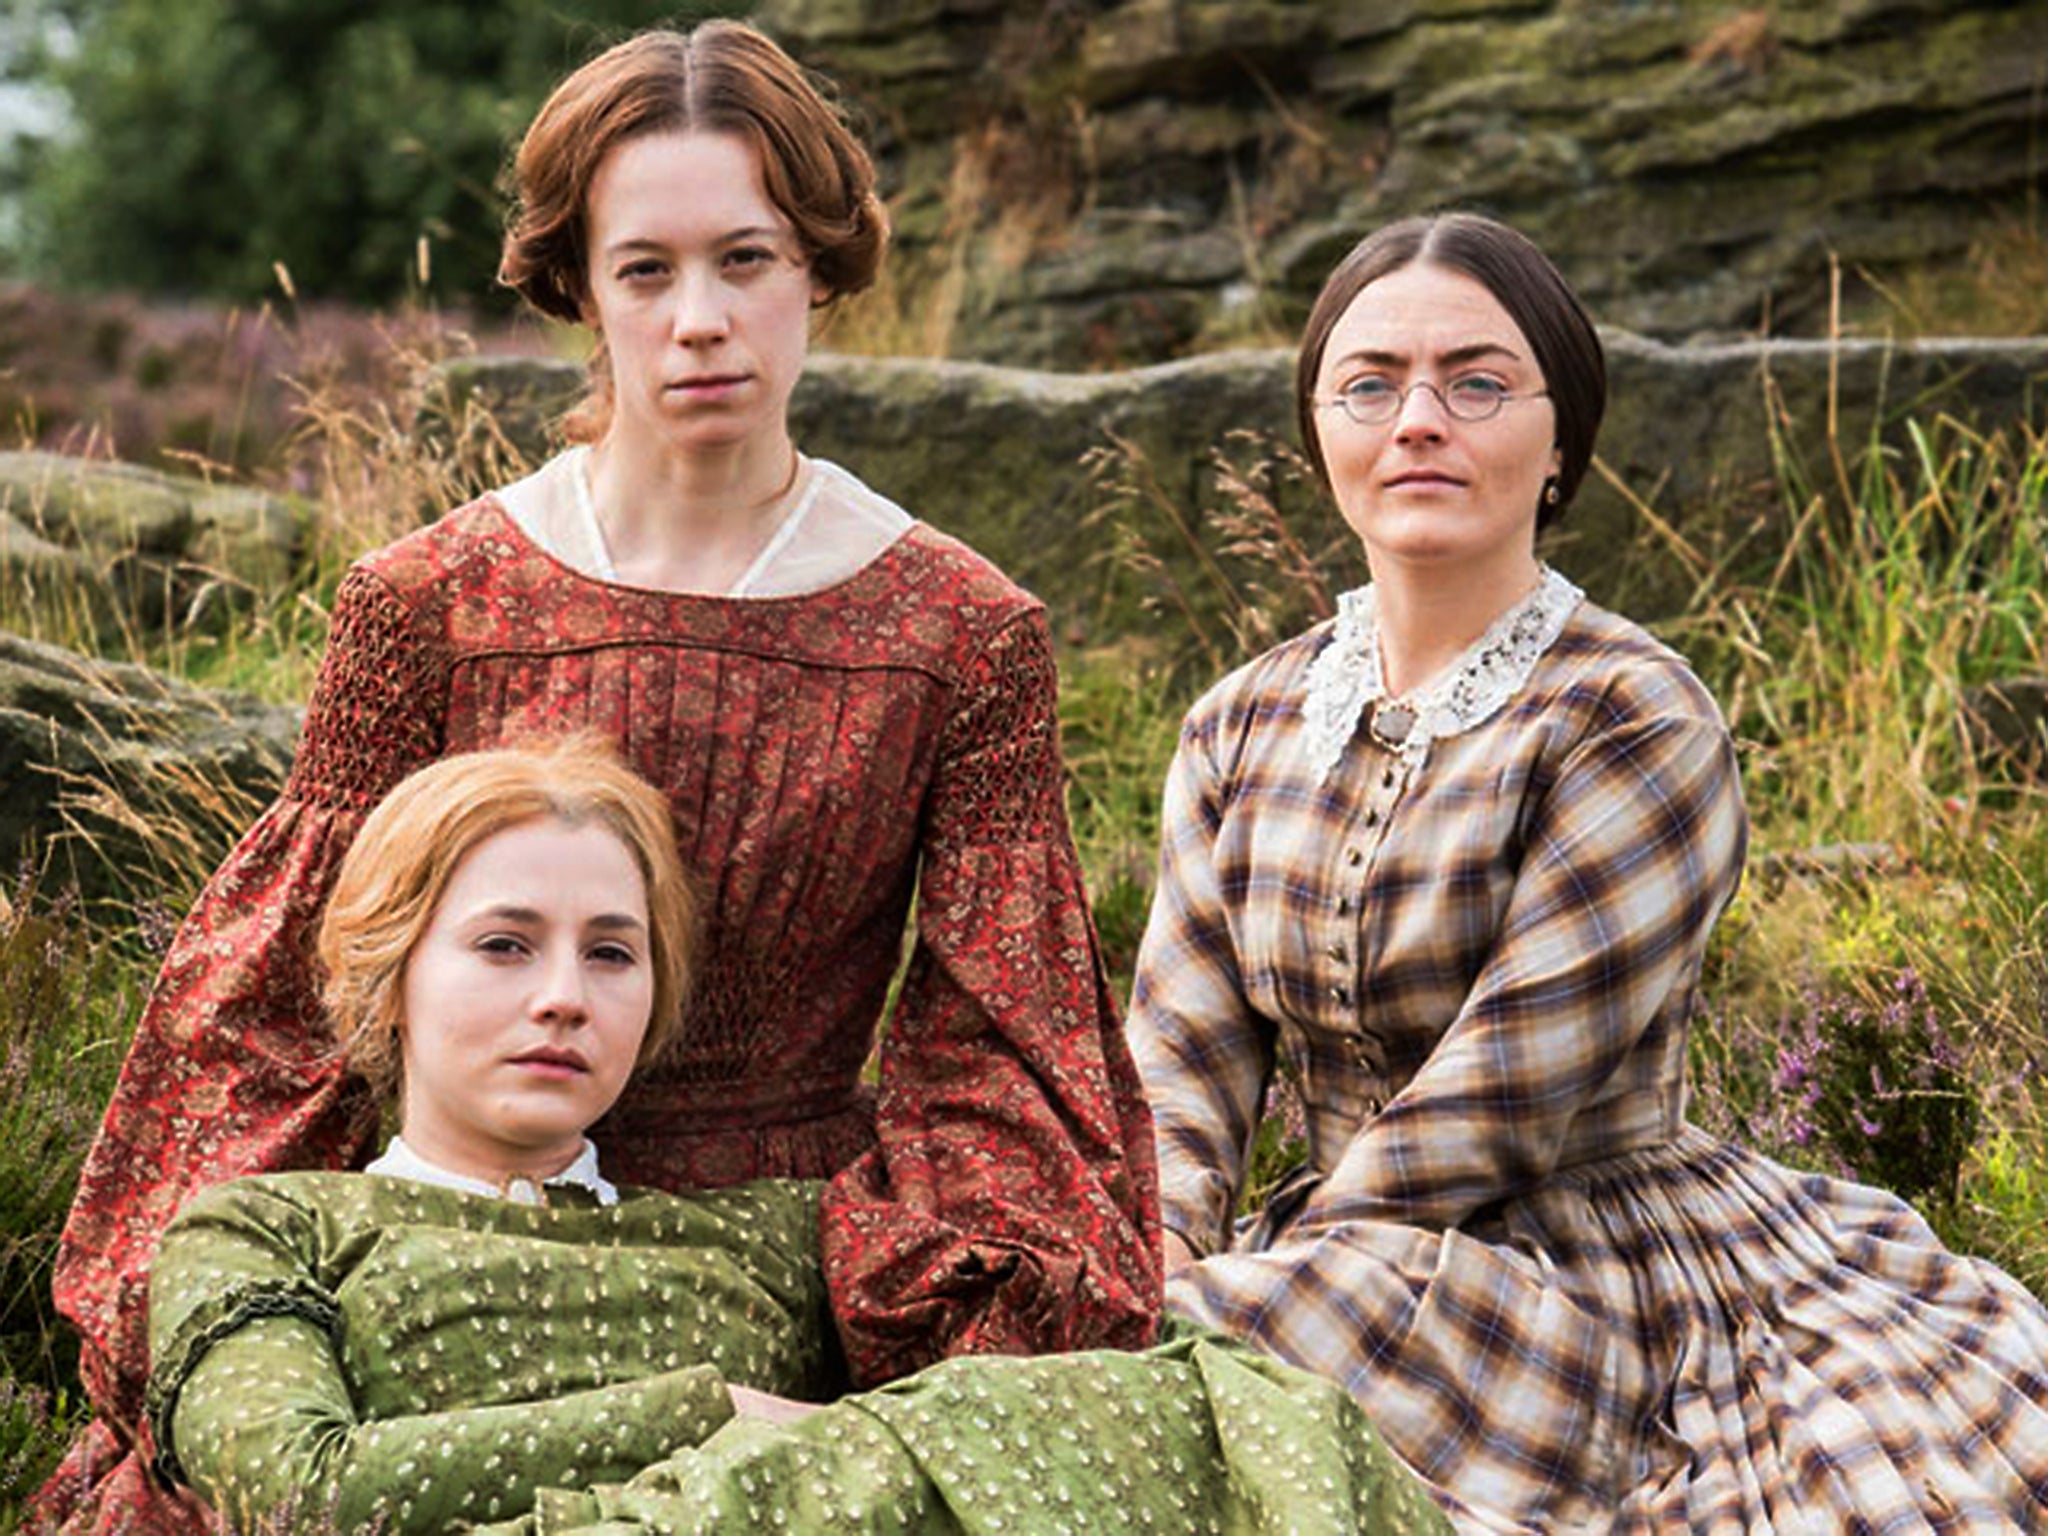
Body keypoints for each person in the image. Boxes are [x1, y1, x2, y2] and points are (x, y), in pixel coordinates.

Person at [39, 21, 1157, 1533]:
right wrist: (228, 1295)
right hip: (442, 1262)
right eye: (648, 270)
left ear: (819, 269)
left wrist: (939, 1326)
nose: (702, 318)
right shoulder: (427, 602)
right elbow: (284, 1009)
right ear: (581, 289)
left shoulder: (961, 637)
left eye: (747, 260)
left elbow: (994, 1051)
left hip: (776, 1284)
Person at [1127, 211, 2048, 1531]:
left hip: (1572, 1264)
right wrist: (1143, 1258)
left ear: (1562, 440)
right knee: (1090, 1329)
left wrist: (1251, 1277)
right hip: (1331, 1256)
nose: (1421, 419)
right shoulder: (1242, 723)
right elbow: (1176, 1068)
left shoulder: (1632, 716)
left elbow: (1499, 1106)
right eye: (1371, 383)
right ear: (1318, 426)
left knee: (1160, 1356)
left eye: (1479, 382)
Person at [148, 739, 1451, 1535]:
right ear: (390, 971)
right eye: (503, 945)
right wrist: (712, 1413)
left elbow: (1034, 1360)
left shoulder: (783, 1225)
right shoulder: (269, 1226)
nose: (562, 995)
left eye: (613, 954)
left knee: (1217, 1387)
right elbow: (296, 1496)